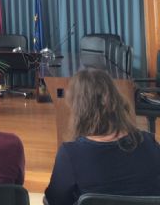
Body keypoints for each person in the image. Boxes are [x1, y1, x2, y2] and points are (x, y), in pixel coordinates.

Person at [45, 69, 160, 205]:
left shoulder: (70, 154)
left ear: (78, 109)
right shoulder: (149, 142)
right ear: (117, 100)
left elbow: (54, 201)